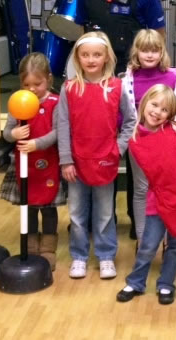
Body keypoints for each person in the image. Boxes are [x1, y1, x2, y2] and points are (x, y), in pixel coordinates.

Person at [58, 31, 135, 280]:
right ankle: (79, 256)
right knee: (77, 214)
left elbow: (131, 121)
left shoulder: (116, 86)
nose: (91, 60)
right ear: (78, 58)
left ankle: (105, 256)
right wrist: (66, 159)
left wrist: (118, 149)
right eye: (85, 55)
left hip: (106, 161)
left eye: (97, 55)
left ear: (106, 57)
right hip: (76, 163)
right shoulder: (69, 88)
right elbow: (63, 125)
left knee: (104, 214)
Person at [116, 85, 176, 305]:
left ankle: (166, 284)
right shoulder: (135, 139)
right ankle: (136, 282)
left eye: (164, 109)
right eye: (154, 105)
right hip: (158, 202)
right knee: (148, 245)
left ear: (171, 114)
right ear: (144, 103)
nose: (157, 112)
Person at [0, 52, 65, 270]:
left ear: (49, 79)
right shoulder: (17, 102)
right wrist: (14, 134)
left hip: (48, 165)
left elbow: (58, 132)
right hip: (24, 165)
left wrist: (37, 143)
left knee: (48, 208)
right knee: (28, 206)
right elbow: (7, 132)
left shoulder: (56, 102)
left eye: (38, 83)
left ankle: (48, 249)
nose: (32, 89)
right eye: (27, 84)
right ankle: (30, 247)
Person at [122, 29, 176, 242]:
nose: (149, 55)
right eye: (144, 50)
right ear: (136, 52)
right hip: (138, 140)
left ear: (162, 52)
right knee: (140, 189)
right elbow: (125, 112)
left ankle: (165, 237)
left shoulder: (173, 76)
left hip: (165, 142)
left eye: (155, 51)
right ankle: (142, 237)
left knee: (164, 188)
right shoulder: (128, 78)